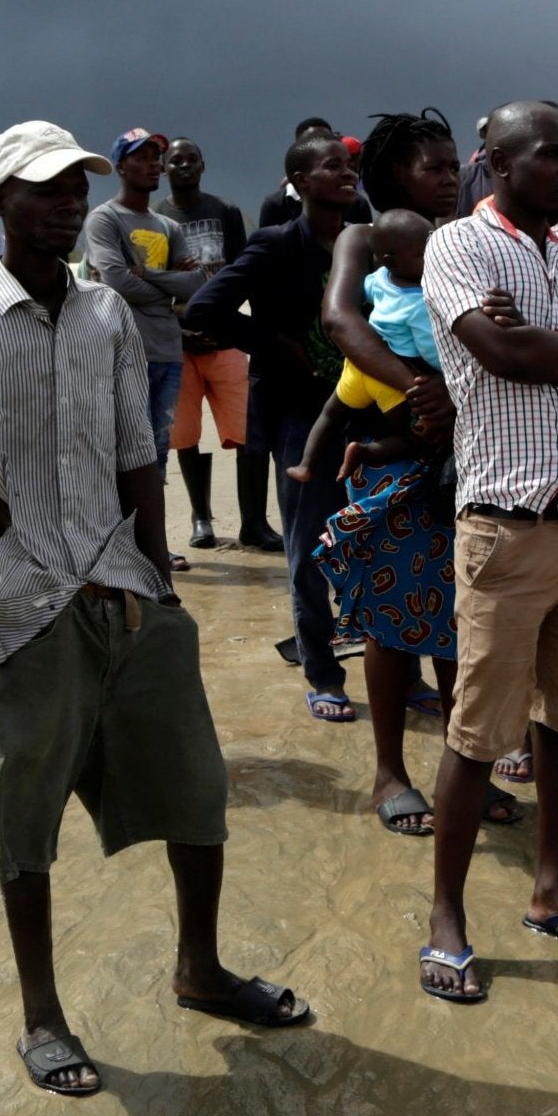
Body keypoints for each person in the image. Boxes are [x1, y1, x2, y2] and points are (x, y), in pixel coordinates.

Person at [0, 119, 311, 1099]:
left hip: (129, 588)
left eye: (72, 187)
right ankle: (41, 1016)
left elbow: (137, 446)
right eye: (43, 187)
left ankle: (200, 969)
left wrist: (158, 576)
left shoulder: (106, 317)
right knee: (21, 817)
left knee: (195, 791)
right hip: (29, 602)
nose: (63, 203)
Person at [416, 100, 558, 1004]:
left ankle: (553, 892)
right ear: (497, 163)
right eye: (550, 155)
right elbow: (495, 350)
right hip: (507, 525)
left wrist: (555, 345)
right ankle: (447, 919)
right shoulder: (459, 247)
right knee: (477, 734)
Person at [317, 109, 522, 836]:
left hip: (469, 456)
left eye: (449, 165)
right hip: (398, 450)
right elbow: (343, 322)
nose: (449, 176)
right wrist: (416, 385)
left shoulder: (469, 238)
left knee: (461, 618)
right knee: (387, 620)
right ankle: (388, 771)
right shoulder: (363, 236)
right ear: (392, 175)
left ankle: (458, 767)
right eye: (431, 166)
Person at [186, 131, 361, 720]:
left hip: (368, 412)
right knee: (308, 552)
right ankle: (323, 672)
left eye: (349, 165)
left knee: (377, 544)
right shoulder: (277, 244)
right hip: (300, 414)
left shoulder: (364, 241)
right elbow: (204, 309)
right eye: (331, 166)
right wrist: (273, 343)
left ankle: (400, 670)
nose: (346, 173)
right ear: (301, 183)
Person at [156, 137, 262, 551]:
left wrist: (224, 323)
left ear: (203, 165)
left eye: (191, 160)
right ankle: (202, 519)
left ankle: (253, 522)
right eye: (175, 161)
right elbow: (152, 281)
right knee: (185, 434)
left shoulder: (227, 212)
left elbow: (242, 272)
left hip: (225, 339)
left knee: (247, 431)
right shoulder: (156, 218)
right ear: (164, 169)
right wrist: (182, 328)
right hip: (177, 341)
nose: (184, 166)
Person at [83, 128, 203, 490]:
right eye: (142, 157)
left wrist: (147, 274)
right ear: (121, 166)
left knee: (158, 451)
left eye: (156, 158)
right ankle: (121, 542)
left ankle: (152, 545)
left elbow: (196, 285)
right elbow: (117, 282)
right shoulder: (105, 220)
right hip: (124, 353)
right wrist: (167, 288)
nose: (154, 165)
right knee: (122, 452)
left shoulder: (167, 226)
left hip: (167, 350)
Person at [288, 209, 437, 482]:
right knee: (420, 438)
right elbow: (430, 350)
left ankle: (306, 464)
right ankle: (366, 453)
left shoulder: (379, 278)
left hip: (357, 363)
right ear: (393, 259)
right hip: (390, 374)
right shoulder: (417, 302)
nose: (433, 259)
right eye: (423, 255)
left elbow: (362, 292)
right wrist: (442, 375)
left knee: (331, 413)